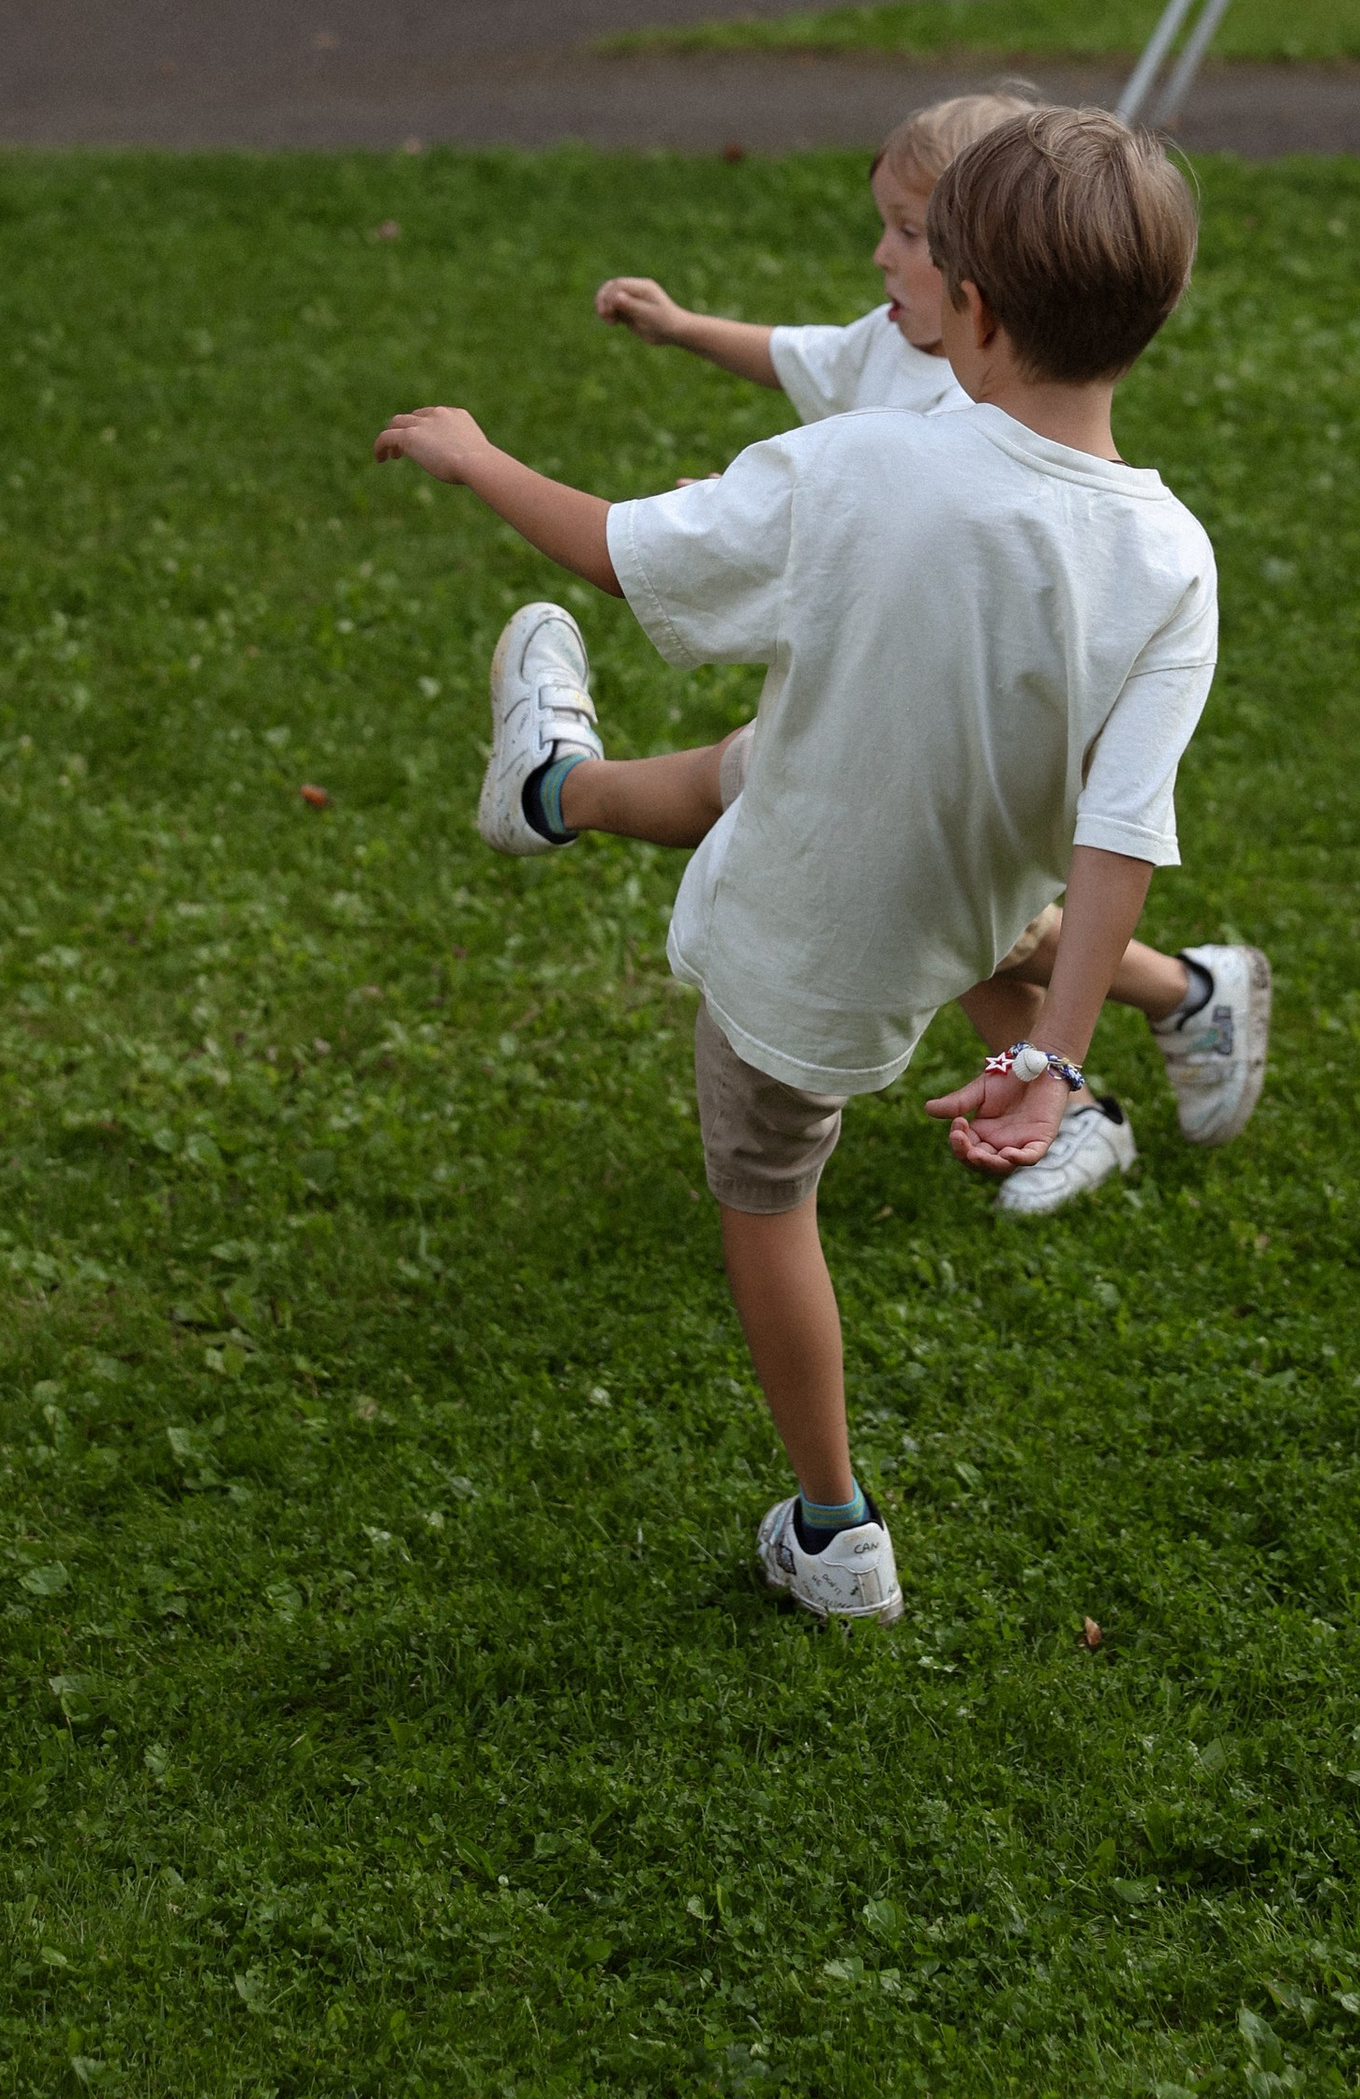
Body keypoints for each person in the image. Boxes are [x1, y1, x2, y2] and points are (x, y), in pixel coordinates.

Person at [374, 103, 1223, 1623]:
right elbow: (1118, 837)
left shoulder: (860, 467)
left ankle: (833, 1530)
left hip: (815, 933)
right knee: (748, 765)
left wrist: (478, 456)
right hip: (958, 907)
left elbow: (622, 549)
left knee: (769, 1194)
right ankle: (556, 788)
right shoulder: (1173, 559)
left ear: (969, 309)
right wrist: (1058, 1062)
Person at [583, 85, 1267, 1202]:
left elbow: (903, 517)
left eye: (915, 233)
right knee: (915, 878)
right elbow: (813, 388)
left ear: (976, 289)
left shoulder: (981, 429)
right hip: (887, 709)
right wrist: (697, 373)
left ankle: (1120, 1052)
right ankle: (1161, 1013)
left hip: (924, 722)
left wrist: (501, 470)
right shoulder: (908, 360)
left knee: (931, 887)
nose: (888, 256)